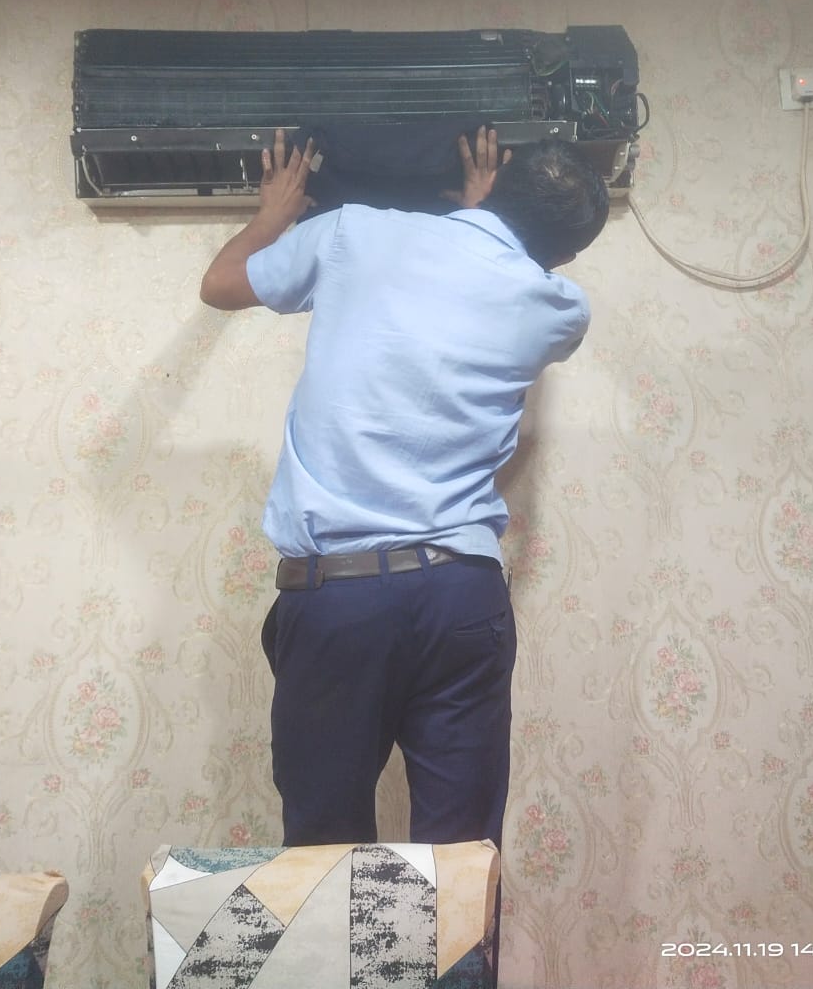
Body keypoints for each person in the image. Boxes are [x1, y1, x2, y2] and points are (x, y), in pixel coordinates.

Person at [199, 125, 608, 850]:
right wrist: (485, 218)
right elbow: (486, 271)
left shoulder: (350, 232)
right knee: (461, 859)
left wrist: (272, 216)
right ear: (566, 256)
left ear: (496, 188)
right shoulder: (561, 310)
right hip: (462, 597)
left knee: (324, 856)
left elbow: (221, 285)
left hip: (340, 596)